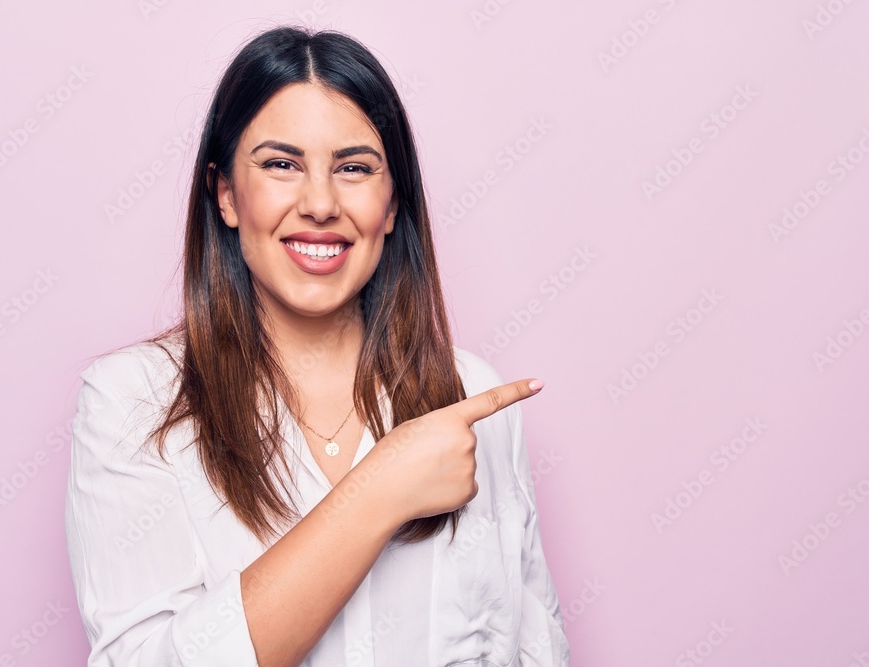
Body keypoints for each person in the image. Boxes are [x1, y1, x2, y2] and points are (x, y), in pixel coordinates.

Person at [63, 24, 569, 666]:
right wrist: (379, 489)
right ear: (226, 195)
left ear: (392, 205)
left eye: (354, 168)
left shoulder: (472, 398)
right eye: (281, 165)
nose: (322, 204)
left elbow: (534, 648)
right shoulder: (132, 402)